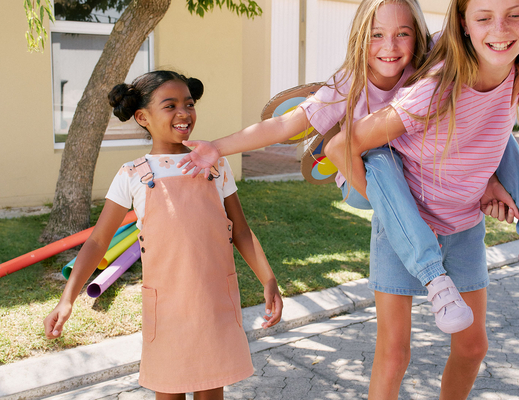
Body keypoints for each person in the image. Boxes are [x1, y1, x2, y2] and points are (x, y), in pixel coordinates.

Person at [176, 0, 519, 334]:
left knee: (500, 121)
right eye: (376, 35)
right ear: (360, 38)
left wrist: (488, 179)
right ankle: (433, 276)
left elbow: (473, 38)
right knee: (381, 156)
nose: (390, 46)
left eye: (403, 34)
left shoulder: (427, 67)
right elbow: (285, 126)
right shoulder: (347, 85)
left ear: (418, 36)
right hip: (359, 178)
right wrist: (217, 148)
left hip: (409, 177)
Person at [43, 70, 283, 400]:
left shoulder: (215, 166)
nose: (184, 113)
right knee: (169, 390)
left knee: (211, 387)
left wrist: (268, 279)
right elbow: (98, 241)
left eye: (189, 103)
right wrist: (67, 298)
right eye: (170, 105)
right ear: (143, 117)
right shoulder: (132, 175)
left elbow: (240, 230)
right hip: (167, 307)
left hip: (214, 300)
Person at [326, 0, 519, 397]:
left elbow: (486, 134)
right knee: (395, 354)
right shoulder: (436, 86)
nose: (500, 29)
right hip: (406, 233)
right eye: (484, 18)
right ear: (464, 24)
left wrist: (489, 184)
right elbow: (343, 145)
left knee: (473, 346)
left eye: (515, 13)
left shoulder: (513, 73)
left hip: (464, 226)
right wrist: (395, 213)